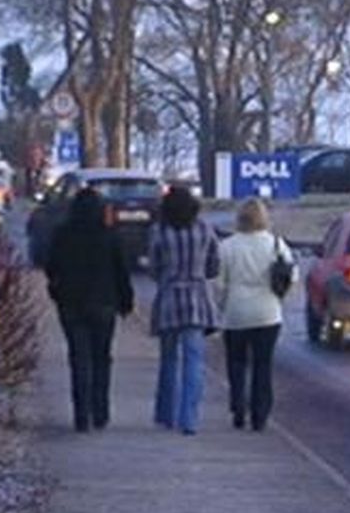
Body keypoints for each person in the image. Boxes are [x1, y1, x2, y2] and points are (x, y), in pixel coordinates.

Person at [45, 187, 134, 432]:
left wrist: (56, 291)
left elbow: (51, 267)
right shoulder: (109, 236)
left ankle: (81, 414)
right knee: (101, 358)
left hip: (71, 304)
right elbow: (121, 272)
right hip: (104, 304)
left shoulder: (63, 235)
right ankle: (100, 411)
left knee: (78, 358)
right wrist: (126, 301)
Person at [215, 198, 297, 432]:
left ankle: (238, 406)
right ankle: (260, 414)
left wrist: (222, 307)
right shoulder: (276, 245)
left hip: (236, 312)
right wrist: (280, 298)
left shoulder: (228, 246)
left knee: (236, 362)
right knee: (263, 365)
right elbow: (292, 276)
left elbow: (219, 283)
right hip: (267, 313)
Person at [149, 185, 220, 435]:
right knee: (194, 360)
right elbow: (214, 264)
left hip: (169, 297)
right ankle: (189, 418)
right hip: (198, 298)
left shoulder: (159, 231)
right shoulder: (203, 228)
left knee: (168, 359)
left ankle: (165, 414)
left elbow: (154, 267)